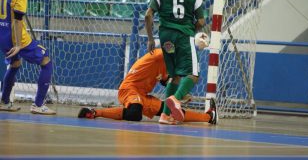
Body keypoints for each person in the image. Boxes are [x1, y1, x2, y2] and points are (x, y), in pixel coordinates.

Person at [78, 48, 217, 125]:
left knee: (170, 111)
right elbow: (167, 48)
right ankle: (95, 112)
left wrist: (181, 95)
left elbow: (166, 81)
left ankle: (208, 117)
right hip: (129, 89)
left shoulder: (167, 66)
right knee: (134, 114)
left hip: (143, 95)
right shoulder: (158, 56)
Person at [145, 0, 205, 123]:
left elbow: (148, 15)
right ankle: (176, 99)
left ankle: (164, 115)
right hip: (183, 37)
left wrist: (151, 39)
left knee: (174, 76)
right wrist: (193, 32)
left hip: (166, 39)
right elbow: (201, 21)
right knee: (193, 74)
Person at [0, 0, 55, 115]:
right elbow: (17, 21)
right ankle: (38, 105)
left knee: (15, 64)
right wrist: (18, 44)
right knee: (46, 61)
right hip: (15, 38)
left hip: (1, 36)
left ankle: (4, 101)